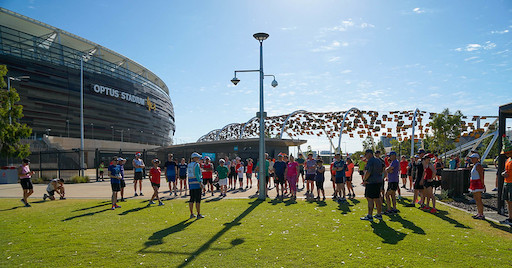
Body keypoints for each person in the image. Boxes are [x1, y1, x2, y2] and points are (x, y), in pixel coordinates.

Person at [360, 149, 384, 221]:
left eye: (366, 154)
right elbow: (383, 169)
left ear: (369, 154)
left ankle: (370, 215)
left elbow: (368, 172)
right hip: (378, 181)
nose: (365, 156)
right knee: (377, 198)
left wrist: (364, 180)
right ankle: (379, 214)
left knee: (370, 198)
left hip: (371, 182)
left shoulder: (370, 161)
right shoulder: (378, 160)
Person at [468, 153, 485, 220]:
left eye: (473, 158)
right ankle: (479, 213)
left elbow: (481, 175)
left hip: (477, 183)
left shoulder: (478, 166)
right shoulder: (475, 165)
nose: (472, 159)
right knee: (476, 199)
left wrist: (482, 184)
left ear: (477, 159)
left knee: (478, 199)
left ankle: (481, 214)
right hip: (473, 183)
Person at [499, 136, 512, 226]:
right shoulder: (508, 160)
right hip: (506, 182)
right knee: (508, 200)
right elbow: (506, 170)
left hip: (511, 183)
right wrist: (503, 173)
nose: (506, 154)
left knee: (511, 201)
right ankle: (510, 217)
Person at [188, 152, 204, 219]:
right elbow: (197, 175)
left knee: (191, 199)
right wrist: (200, 183)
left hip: (191, 183)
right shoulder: (196, 165)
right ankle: (198, 214)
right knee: (198, 200)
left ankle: (191, 213)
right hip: (197, 183)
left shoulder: (189, 165)